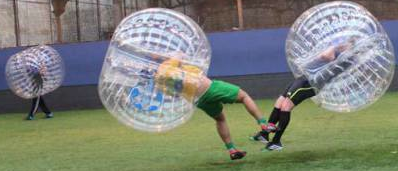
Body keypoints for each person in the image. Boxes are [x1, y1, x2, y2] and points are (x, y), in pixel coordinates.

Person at [154, 55, 275, 160]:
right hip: (210, 88)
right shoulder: (167, 64)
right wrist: (173, 56)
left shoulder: (159, 81)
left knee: (220, 119)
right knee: (244, 96)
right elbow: (179, 55)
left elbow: (172, 93)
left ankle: (232, 150)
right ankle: (263, 124)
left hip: (199, 100)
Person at [251, 39, 357, 151]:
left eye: (345, 43)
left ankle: (276, 141)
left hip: (311, 83)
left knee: (285, 107)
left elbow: (325, 56)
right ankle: (265, 134)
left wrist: (333, 46)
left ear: (349, 47)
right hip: (304, 78)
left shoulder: (344, 58)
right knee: (280, 102)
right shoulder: (341, 55)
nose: (341, 43)